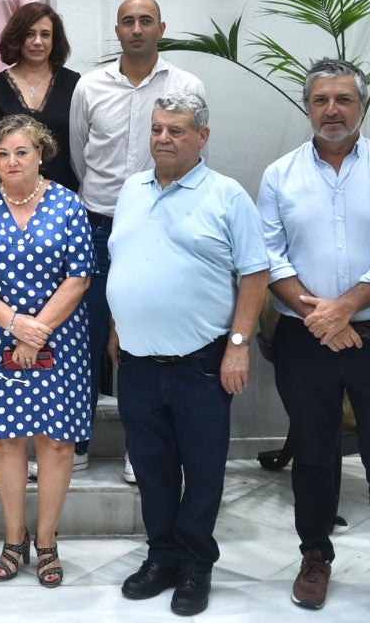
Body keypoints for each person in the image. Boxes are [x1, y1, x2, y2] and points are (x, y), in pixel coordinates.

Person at [258, 59, 370, 623]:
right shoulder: (280, 175)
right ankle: (314, 558)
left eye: (343, 100)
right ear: (308, 108)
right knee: (312, 456)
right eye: (321, 101)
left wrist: (345, 309)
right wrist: (322, 318)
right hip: (306, 341)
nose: (332, 110)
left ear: (361, 105)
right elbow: (269, 256)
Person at [107, 93, 268, 616]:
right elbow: (126, 261)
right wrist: (116, 322)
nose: (164, 139)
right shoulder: (132, 190)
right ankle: (163, 557)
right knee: (152, 470)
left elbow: (256, 273)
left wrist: (238, 346)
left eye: (176, 130)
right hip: (136, 363)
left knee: (201, 473)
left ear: (202, 136)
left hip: (202, 364)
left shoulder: (227, 196)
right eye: (157, 129)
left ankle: (197, 564)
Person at [67, 0, 204, 480]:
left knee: (141, 339)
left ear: (161, 27)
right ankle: (75, 442)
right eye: (128, 21)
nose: (137, 28)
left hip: (157, 226)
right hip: (97, 222)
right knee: (83, 334)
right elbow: (79, 156)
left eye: (146, 20)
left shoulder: (186, 85)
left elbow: (190, 152)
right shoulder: (89, 86)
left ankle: (140, 448)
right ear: (117, 30)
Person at [0, 114, 94, 588]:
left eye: (21, 152)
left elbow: (79, 276)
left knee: (56, 442)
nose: (12, 161)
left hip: (62, 338)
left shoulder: (68, 204)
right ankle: (14, 539)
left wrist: (37, 331)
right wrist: (15, 325)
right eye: (2, 154)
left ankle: (48, 539)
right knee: (6, 440)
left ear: (41, 154)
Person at [0, 2, 78, 191]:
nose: (38, 42)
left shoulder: (74, 84)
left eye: (45, 34)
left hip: (63, 194)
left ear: (55, 40)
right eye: (29, 34)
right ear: (17, 38)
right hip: (9, 195)